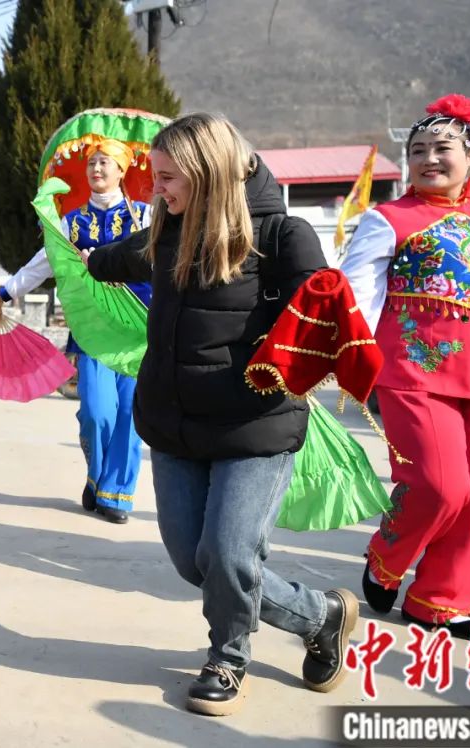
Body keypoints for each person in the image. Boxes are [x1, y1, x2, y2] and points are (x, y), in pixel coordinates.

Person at [86, 113, 357, 716]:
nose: (158, 189)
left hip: (254, 426)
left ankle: (227, 658)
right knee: (196, 564)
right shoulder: (164, 232)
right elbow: (109, 262)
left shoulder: (284, 236)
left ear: (208, 173)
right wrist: (84, 252)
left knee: (230, 557)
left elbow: (321, 311)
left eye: (167, 177)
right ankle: (322, 615)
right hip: (175, 425)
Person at [341, 95, 470, 635]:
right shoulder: (387, 219)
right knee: (439, 486)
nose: (429, 159)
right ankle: (386, 558)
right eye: (417, 151)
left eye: (443, 148)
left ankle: (441, 601)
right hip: (415, 372)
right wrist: (354, 357)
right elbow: (358, 292)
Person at [0, 140, 151, 524]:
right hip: (91, 331)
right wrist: (5, 293)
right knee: (96, 411)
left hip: (138, 331)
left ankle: (117, 494)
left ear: (122, 170)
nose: (96, 169)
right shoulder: (72, 222)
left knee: (131, 413)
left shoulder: (147, 217)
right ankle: (97, 477)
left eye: (104, 162)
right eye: (91, 163)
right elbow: (43, 262)